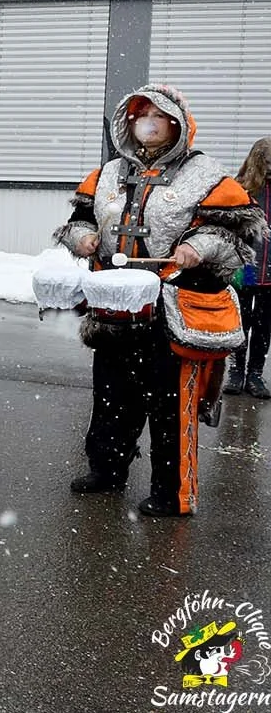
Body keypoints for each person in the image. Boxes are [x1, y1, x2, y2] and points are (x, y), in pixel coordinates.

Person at [56, 84, 264, 517]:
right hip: (115, 309)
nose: (146, 121)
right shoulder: (109, 173)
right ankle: (107, 470)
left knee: (170, 408)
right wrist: (84, 238)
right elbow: (77, 220)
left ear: (177, 122)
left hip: (173, 311)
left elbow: (234, 232)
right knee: (111, 396)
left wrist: (199, 247)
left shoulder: (205, 174)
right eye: (138, 114)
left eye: (156, 113)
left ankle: (173, 493)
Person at [225, 136, 271, 399]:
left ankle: (255, 373)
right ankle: (235, 370)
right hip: (246, 267)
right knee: (239, 320)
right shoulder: (240, 188)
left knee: (264, 324)